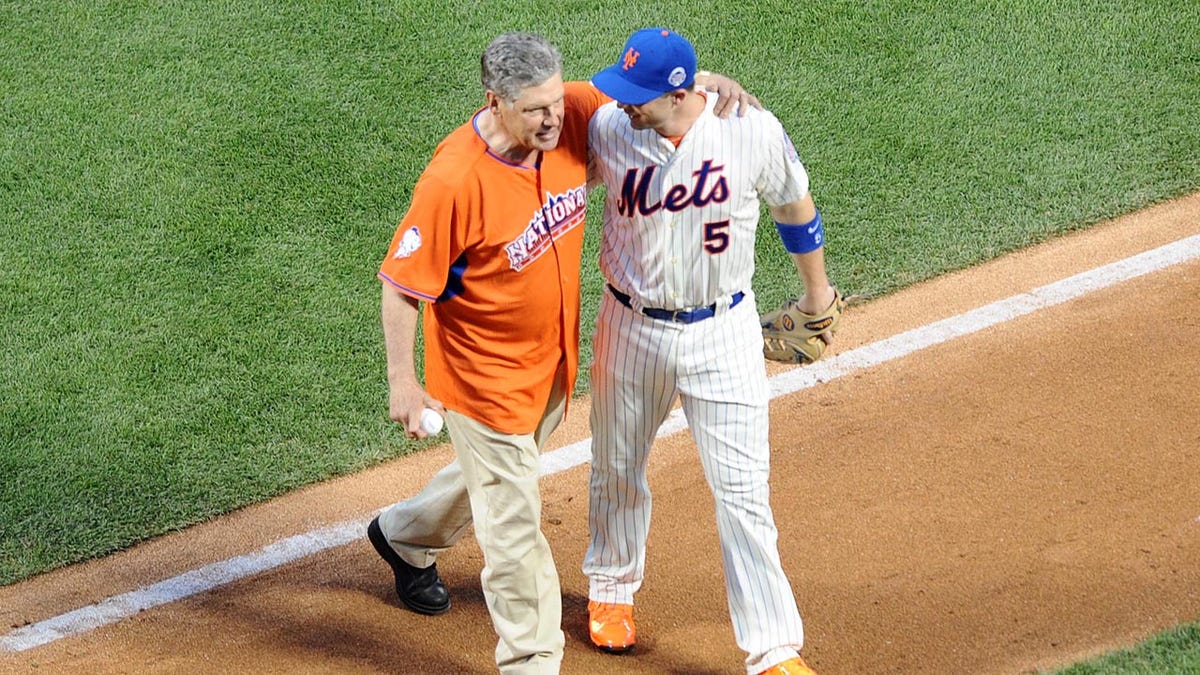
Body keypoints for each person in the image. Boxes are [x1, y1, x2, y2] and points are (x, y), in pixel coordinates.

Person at [367, 32, 754, 674]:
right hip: (481, 381)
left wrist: (706, 80)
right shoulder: (455, 181)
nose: (556, 119)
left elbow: (643, 89)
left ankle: (405, 536)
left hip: (550, 366)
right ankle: (532, 659)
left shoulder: (570, 111)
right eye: (535, 110)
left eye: (556, 101)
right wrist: (402, 384)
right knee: (515, 530)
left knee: (498, 475)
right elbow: (401, 284)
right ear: (495, 102)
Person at [581, 27, 835, 675]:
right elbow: (546, 126)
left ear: (680, 92)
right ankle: (611, 588)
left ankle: (774, 647)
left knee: (744, 490)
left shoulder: (748, 129)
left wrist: (816, 295)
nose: (625, 103)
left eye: (640, 94)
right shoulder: (609, 127)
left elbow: (794, 204)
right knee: (617, 466)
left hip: (724, 332)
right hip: (630, 326)